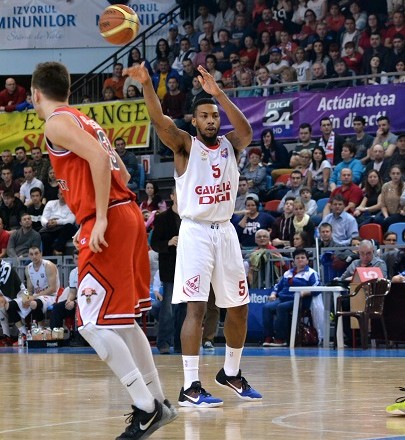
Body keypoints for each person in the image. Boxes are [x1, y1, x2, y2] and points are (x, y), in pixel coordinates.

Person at [31, 61, 176, 438]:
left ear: (35, 94)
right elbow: (122, 174)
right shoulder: (84, 120)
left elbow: (98, 159)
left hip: (109, 217)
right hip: (126, 212)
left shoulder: (56, 123)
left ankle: (146, 408)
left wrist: (97, 217)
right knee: (122, 321)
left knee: (91, 323)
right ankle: (158, 401)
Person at [124, 62, 262, 406]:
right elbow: (159, 121)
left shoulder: (231, 144)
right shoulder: (185, 145)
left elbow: (247, 132)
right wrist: (147, 85)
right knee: (196, 309)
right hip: (196, 232)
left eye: (214, 115)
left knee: (239, 307)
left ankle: (231, 372)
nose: (211, 120)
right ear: (195, 121)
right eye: (204, 116)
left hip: (226, 231)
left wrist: (219, 94)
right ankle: (190, 386)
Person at [150, 187, 186, 354]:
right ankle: (163, 343)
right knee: (168, 308)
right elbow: (154, 244)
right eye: (178, 192)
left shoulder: (191, 216)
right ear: (172, 196)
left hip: (187, 268)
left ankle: (181, 344)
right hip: (170, 268)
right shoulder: (162, 218)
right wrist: (169, 242)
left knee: (184, 309)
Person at [262, 248, 320, 347]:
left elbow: (317, 287)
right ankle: (268, 337)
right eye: (297, 258)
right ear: (293, 261)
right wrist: (273, 294)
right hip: (283, 298)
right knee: (267, 307)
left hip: (300, 300)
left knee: (281, 307)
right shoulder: (287, 273)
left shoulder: (311, 273)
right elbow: (278, 286)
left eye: (303, 257)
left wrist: (305, 293)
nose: (300, 259)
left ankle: (281, 339)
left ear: (307, 260)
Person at [40, 190, 78, 256]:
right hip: (51, 227)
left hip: (64, 227)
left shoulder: (71, 205)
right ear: (58, 195)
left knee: (69, 227)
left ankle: (57, 249)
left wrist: (57, 222)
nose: (63, 196)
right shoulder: (50, 203)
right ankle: (48, 257)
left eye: (65, 194)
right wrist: (47, 223)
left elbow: (71, 220)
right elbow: (43, 217)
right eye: (61, 194)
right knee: (44, 236)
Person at [49, 250, 78, 330]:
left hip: (87, 301)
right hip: (76, 300)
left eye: (80, 258)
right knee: (57, 308)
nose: (78, 261)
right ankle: (56, 334)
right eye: (76, 259)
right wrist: (69, 301)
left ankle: (77, 335)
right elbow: (72, 292)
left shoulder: (90, 271)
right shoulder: (73, 273)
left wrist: (75, 302)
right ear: (73, 260)